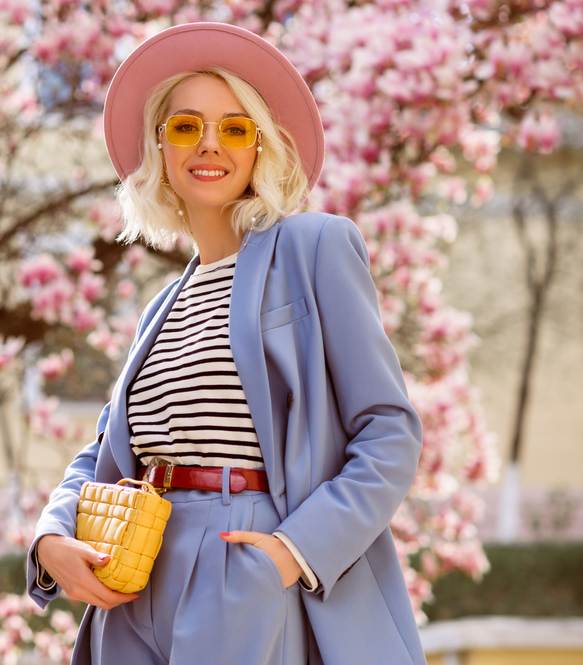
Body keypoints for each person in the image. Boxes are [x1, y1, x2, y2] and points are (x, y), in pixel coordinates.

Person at [26, 22, 427, 665]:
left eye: (235, 128)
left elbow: (389, 429)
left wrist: (291, 555)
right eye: (186, 126)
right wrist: (50, 537)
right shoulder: (163, 305)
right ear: (160, 146)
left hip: (244, 563)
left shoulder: (314, 247)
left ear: (260, 148)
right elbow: (103, 449)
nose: (209, 144)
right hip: (133, 576)